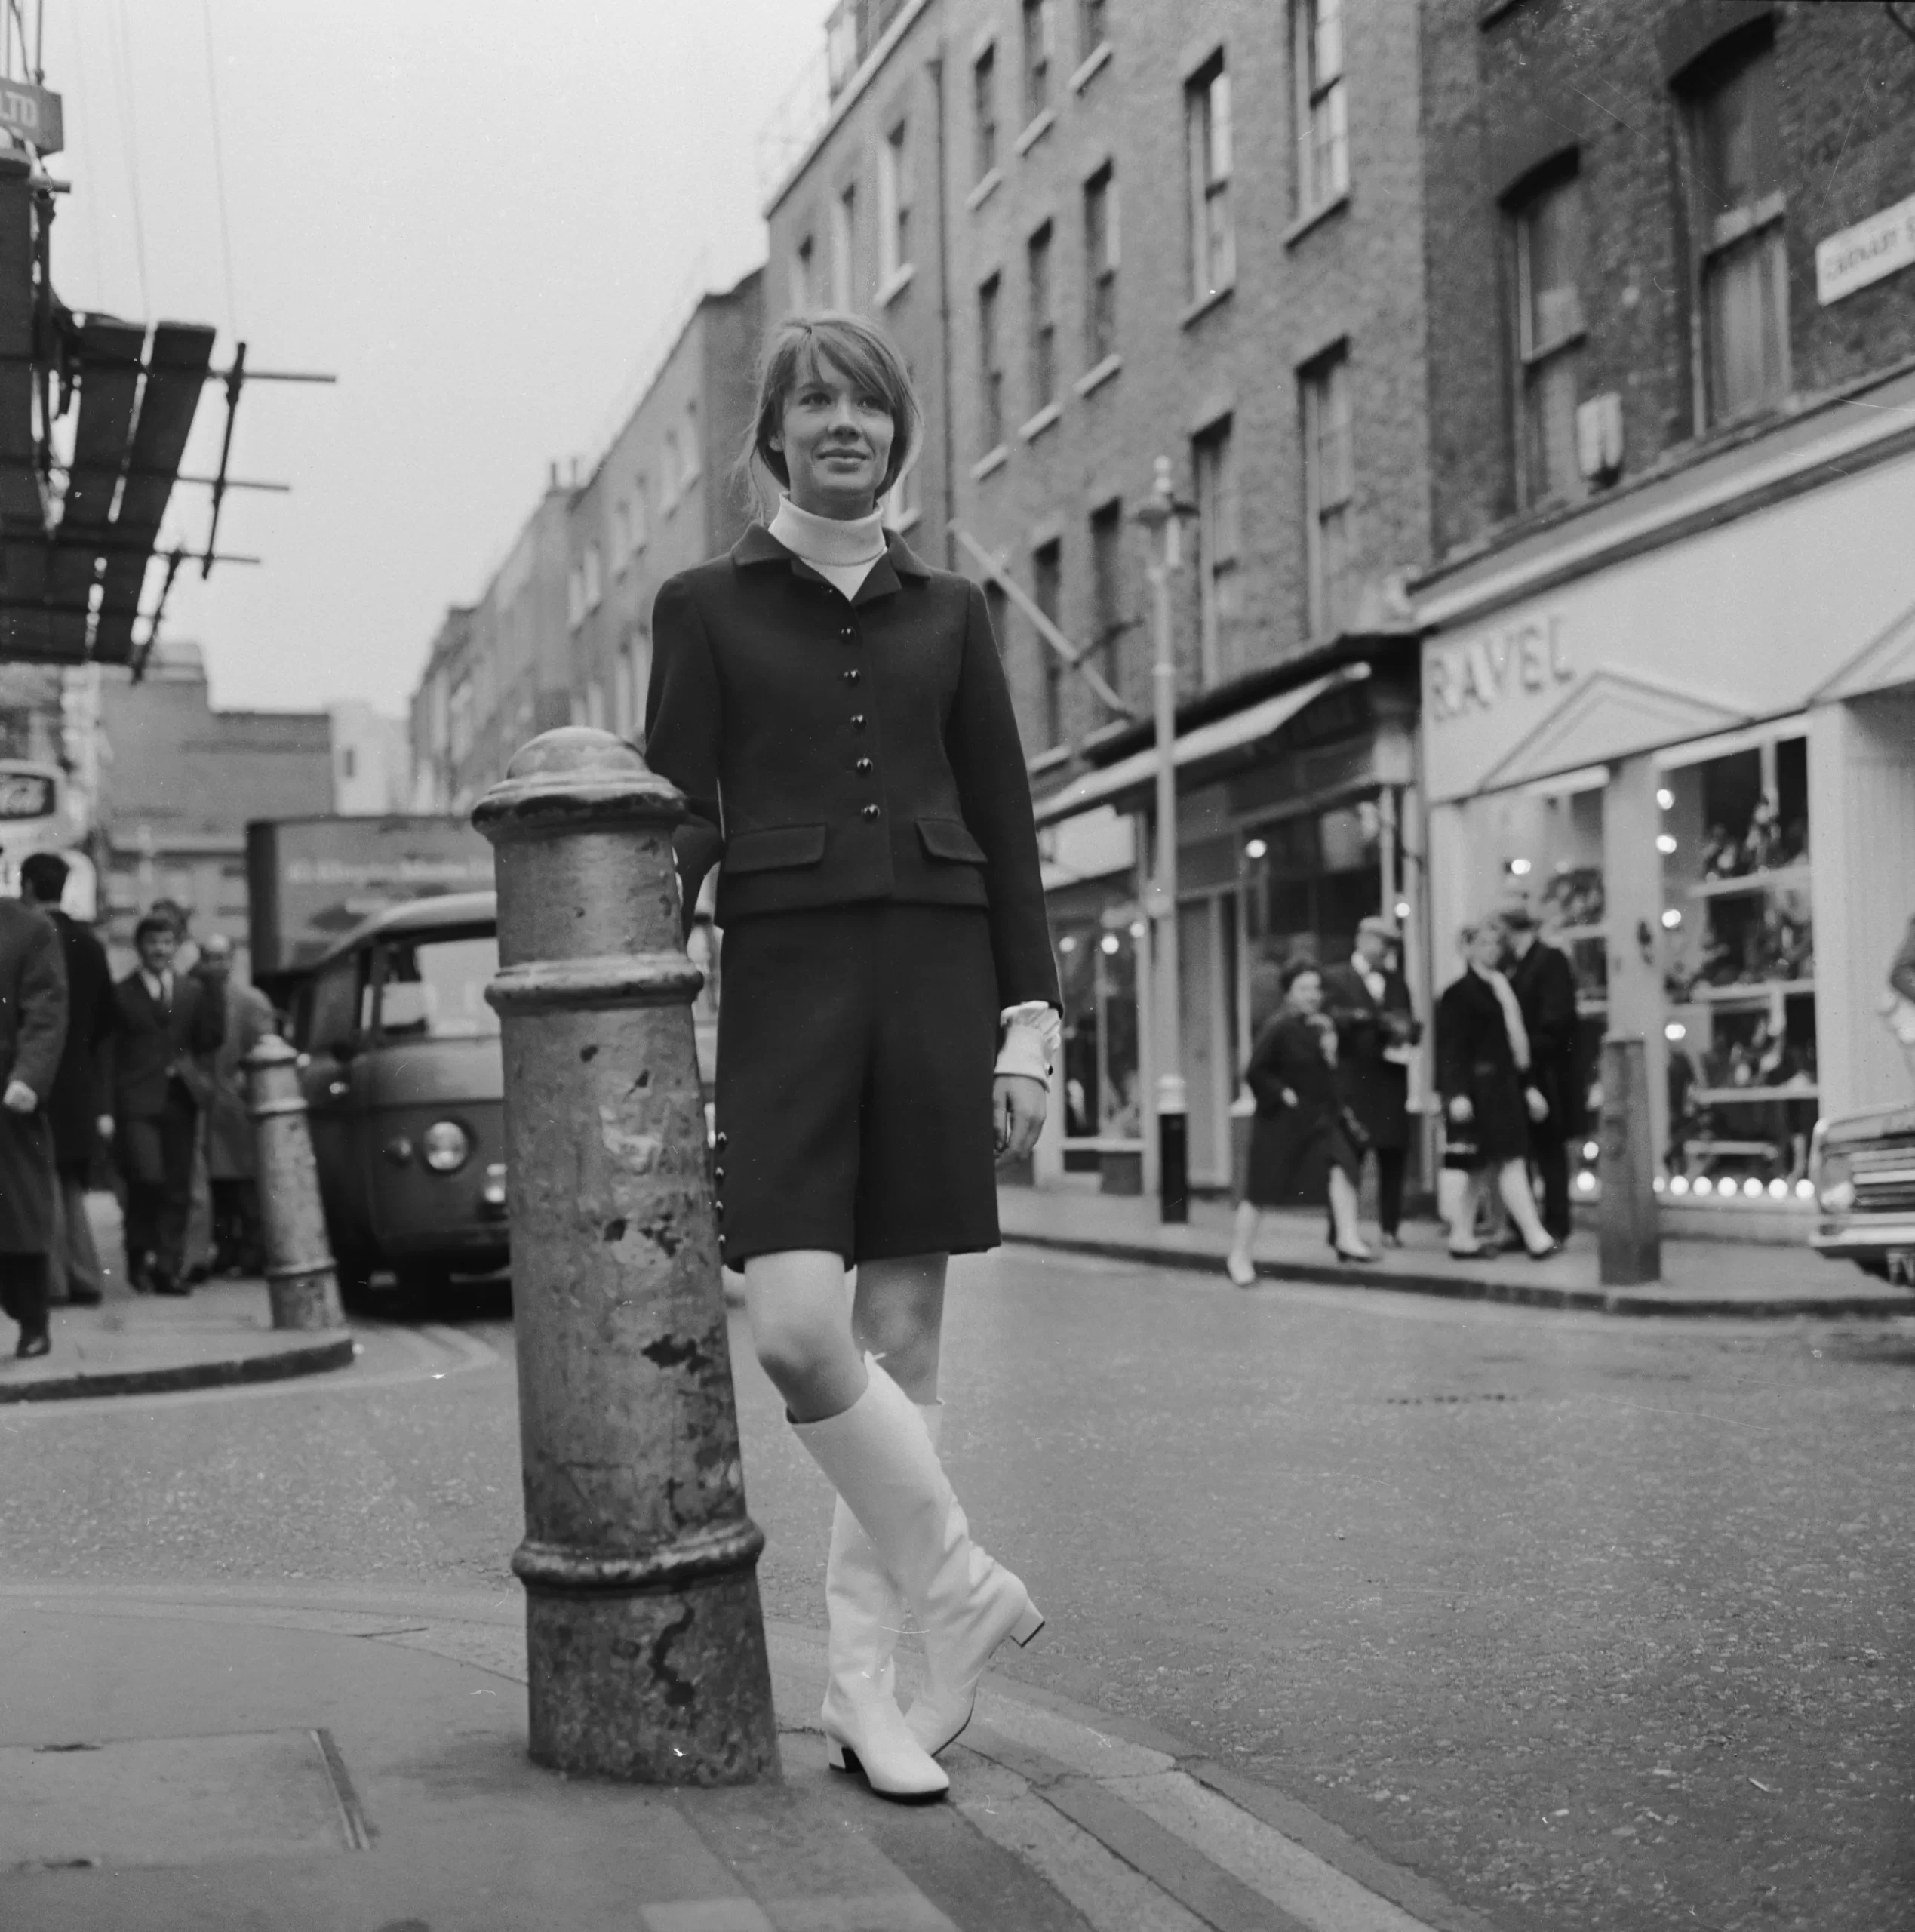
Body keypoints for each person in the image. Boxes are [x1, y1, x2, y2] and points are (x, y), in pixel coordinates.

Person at [644, 313, 1058, 1804]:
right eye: (814, 402)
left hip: (941, 980)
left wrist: (1031, 1023)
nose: (843, 425)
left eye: (868, 406)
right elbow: (680, 805)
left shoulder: (950, 614)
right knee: (804, 1331)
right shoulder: (703, 605)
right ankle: (954, 1575)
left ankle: (867, 1689)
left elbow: (1008, 827)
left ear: (897, 435)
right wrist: (636, 911)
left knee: (905, 1331)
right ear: (775, 435)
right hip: (790, 991)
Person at [1225, 960, 1371, 1284]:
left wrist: (1331, 1055)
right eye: (1304, 989)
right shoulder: (1278, 1027)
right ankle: (1239, 1256)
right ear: (1289, 993)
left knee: (1343, 1166)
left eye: (1316, 989)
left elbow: (1327, 1077)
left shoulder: (1319, 1026)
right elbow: (1255, 1071)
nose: (1312, 995)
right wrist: (1282, 1093)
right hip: (1280, 1124)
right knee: (1260, 1192)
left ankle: (1347, 1237)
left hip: (1317, 1121)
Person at [106, 912, 225, 1295]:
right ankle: (138, 1254)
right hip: (136, 1102)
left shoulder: (191, 991)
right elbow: (106, 1054)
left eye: (166, 942)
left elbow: (209, 1039)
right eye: (152, 942)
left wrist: (215, 986)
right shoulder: (121, 994)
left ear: (176, 947)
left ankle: (167, 1268)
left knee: (177, 1187)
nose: (160, 949)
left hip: (180, 1100)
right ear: (139, 947)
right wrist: (105, 1109)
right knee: (147, 1178)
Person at [18, 854, 113, 1306]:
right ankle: (85, 1274)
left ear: (29, 886)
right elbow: (107, 1020)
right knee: (72, 1182)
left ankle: (53, 1281)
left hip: (36, 1078)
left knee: (40, 1182)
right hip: (80, 1081)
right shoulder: (90, 944)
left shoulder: (28, 939)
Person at [1436, 921, 1557, 1260]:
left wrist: (1528, 1086)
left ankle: (1462, 1236)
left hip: (1502, 1089)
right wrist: (1456, 1093)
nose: (1493, 949)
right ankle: (1536, 1236)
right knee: (1504, 1162)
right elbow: (1451, 1048)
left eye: (1495, 943)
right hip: (1479, 1092)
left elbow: (1515, 1045)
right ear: (1468, 948)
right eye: (1484, 943)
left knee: (1484, 1167)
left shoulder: (1501, 986)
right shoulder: (1458, 994)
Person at [1321, 915, 1419, 1249]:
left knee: (1393, 1156)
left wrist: (1406, 1030)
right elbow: (1329, 1018)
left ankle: (1390, 1228)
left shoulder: (1396, 981)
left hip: (1391, 1080)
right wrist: (1365, 1020)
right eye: (1382, 942)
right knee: (1349, 1159)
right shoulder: (1336, 977)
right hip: (1354, 1083)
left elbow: (1408, 1019)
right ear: (1362, 939)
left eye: (1391, 945)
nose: (1387, 951)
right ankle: (1340, 1230)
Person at [0, 883, 68, 1356]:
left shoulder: (30, 929)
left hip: (7, 1096)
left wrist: (29, 1076)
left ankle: (32, 1322)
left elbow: (46, 1011)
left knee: (18, 1215)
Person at [1499, 906, 1583, 1244]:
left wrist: (1524, 1046)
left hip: (1548, 1072)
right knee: (1526, 1151)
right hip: (1525, 1071)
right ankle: (1526, 1222)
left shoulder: (1549, 961)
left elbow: (1557, 1021)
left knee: (1549, 1150)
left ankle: (1556, 1222)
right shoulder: (1514, 966)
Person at [194, 933, 275, 1275]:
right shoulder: (195, 997)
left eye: (221, 957)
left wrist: (246, 1080)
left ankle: (253, 1251)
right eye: (209, 957)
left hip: (236, 1106)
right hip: (209, 1104)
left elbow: (265, 1047)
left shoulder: (251, 1001)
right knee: (218, 1188)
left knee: (244, 1187)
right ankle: (226, 1249)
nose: (215, 965)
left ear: (233, 959)